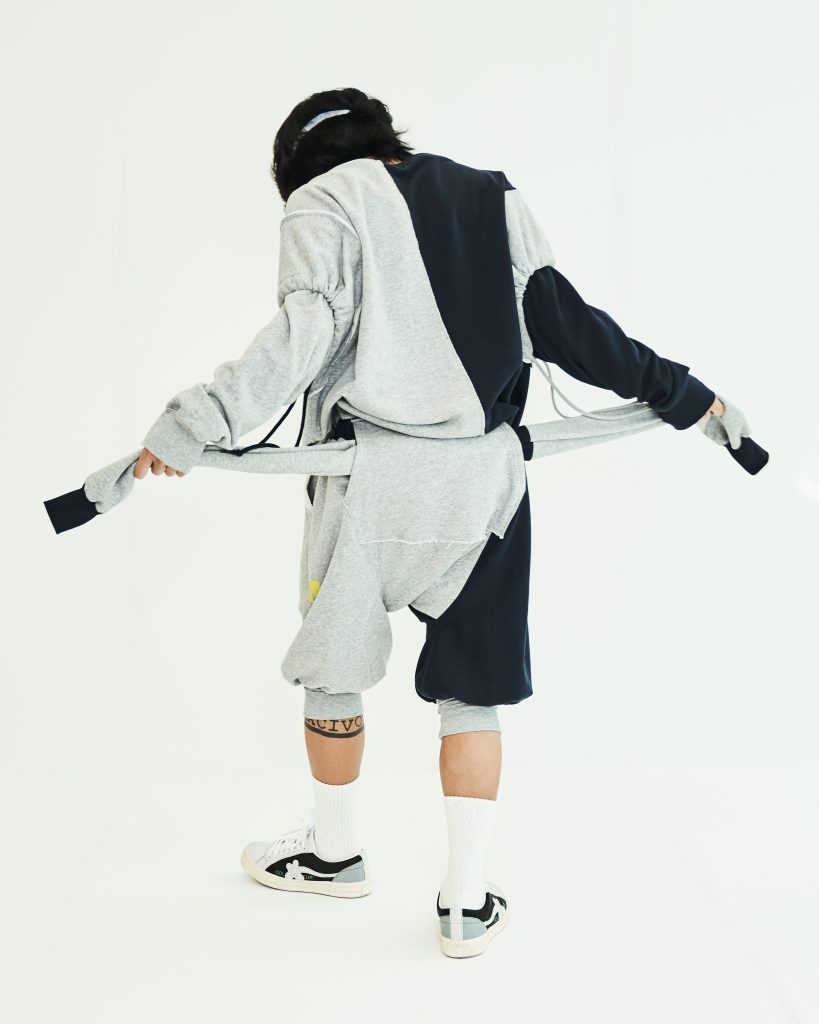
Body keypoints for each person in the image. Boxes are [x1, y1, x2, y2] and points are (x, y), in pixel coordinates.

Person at [132, 87, 727, 958]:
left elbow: (301, 337)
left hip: (365, 481)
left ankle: (334, 856)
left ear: (293, 167)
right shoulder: (493, 193)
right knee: (472, 692)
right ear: (387, 134)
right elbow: (564, 325)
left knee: (334, 671)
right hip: (481, 485)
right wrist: (683, 393)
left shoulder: (321, 200)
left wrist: (190, 427)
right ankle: (465, 903)